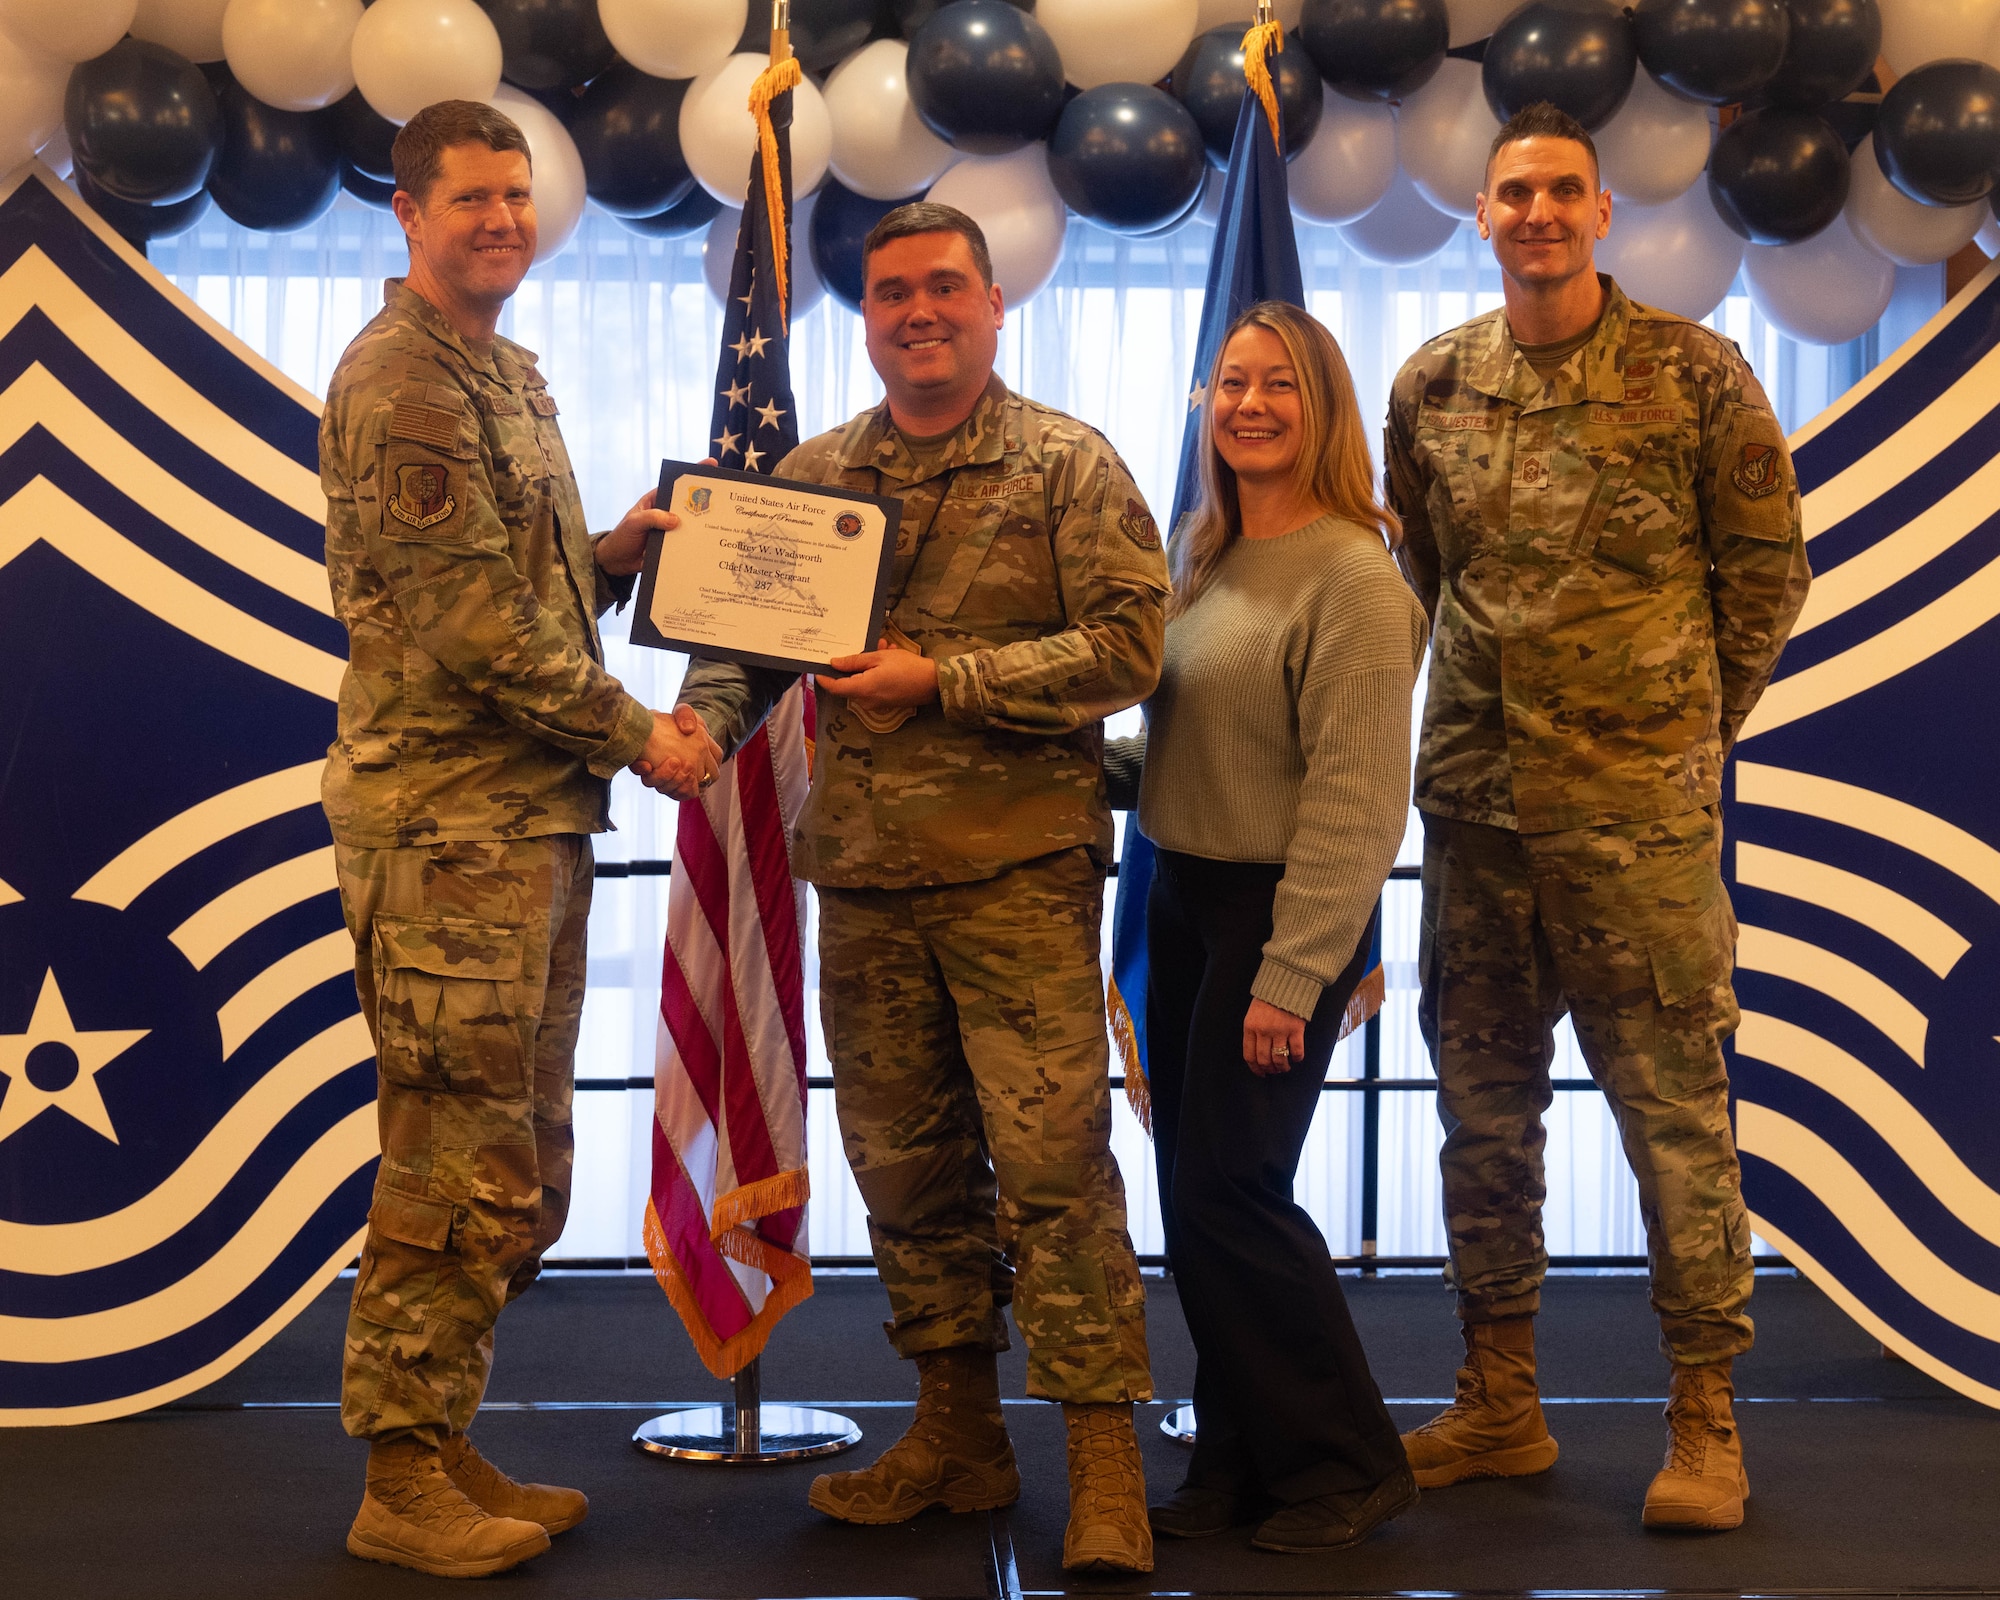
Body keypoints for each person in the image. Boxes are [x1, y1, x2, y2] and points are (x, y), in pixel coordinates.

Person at [670, 202, 1169, 1574]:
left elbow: (1132, 647)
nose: (918, 312)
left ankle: (1105, 1462)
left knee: (1056, 1172)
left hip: (1019, 878)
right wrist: (700, 730)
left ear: (995, 305)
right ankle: (956, 1435)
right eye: (892, 293)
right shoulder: (821, 475)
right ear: (869, 316)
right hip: (870, 886)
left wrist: (943, 677)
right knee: (907, 1171)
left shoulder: (1069, 465)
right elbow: (743, 648)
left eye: (945, 287)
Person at [1383, 101, 1811, 1531]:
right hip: (1480, 821)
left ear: (1602, 211)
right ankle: (1500, 1399)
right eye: (1514, 193)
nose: (1538, 214)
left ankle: (1706, 1420)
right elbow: (1428, 577)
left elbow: (1764, 584)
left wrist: (1675, 732)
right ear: (1484, 214)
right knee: (1482, 1122)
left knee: (1675, 1123)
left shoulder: (1697, 377)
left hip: (1639, 828)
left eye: (1563, 191)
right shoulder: (1433, 386)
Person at [319, 100, 718, 1579]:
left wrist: (609, 561)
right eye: (470, 198)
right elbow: (473, 629)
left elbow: (517, 595)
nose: (500, 219)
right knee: (446, 1160)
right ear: (409, 215)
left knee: (516, 1162)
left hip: (519, 819)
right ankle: (398, 1478)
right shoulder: (407, 381)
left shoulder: (501, 372)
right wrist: (645, 736)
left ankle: (439, 1435)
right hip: (447, 829)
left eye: (516, 196)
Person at [1107, 302, 1427, 1554]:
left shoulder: (1354, 573)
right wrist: (1060, 760)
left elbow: (1353, 801)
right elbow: (1196, 751)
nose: (1247, 403)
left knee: (1229, 1194)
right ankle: (1235, 1462)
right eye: (1228, 383)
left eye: (1278, 385)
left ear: (1322, 409)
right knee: (1199, 1205)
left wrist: (1289, 979)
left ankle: (1347, 1461)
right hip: (1186, 901)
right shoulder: (1213, 553)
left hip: (1279, 918)